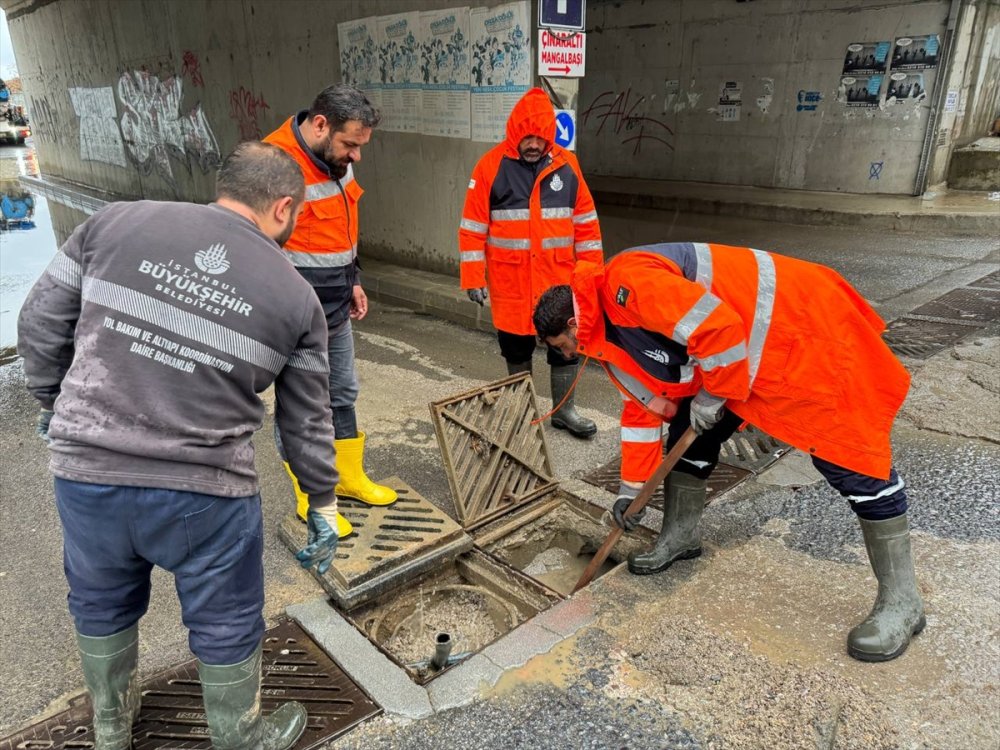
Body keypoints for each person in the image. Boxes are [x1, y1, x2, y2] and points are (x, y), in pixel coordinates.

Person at [17, 142, 342, 750]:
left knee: (99, 594)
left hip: (89, 475)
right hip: (206, 491)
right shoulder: (297, 297)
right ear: (283, 207)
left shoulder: (115, 222)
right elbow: (305, 420)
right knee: (225, 614)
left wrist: (51, 401)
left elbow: (39, 324)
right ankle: (239, 733)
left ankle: (112, 725)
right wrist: (321, 501)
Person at [533, 242, 925, 663]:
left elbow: (719, 328)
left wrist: (712, 395)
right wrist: (631, 492)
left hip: (806, 332)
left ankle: (903, 601)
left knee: (852, 462)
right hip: (739, 362)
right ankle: (681, 536)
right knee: (689, 433)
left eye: (562, 344)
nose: (567, 355)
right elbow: (643, 409)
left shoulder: (630, 283)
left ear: (574, 322)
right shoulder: (607, 333)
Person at [264, 83, 398, 522]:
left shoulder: (338, 160)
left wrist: (353, 279)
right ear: (321, 125)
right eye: (351, 144)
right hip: (293, 314)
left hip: (337, 304)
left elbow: (342, 226)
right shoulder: (272, 166)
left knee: (342, 392)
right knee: (302, 404)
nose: (356, 156)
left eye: (361, 146)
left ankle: (348, 478)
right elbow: (257, 250)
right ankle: (310, 495)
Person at [459, 87, 604, 438]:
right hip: (512, 282)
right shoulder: (490, 166)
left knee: (566, 347)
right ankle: (520, 412)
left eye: (541, 136)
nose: (534, 144)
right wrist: (473, 277)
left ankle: (563, 411)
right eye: (527, 137)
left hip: (558, 281)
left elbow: (587, 226)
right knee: (515, 346)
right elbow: (472, 228)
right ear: (514, 132)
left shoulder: (567, 167)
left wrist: (591, 279)